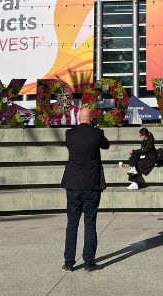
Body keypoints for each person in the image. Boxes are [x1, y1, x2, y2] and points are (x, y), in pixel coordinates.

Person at [61, 107, 110, 272]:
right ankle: (89, 263)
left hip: (73, 184)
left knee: (71, 224)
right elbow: (106, 145)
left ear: (78, 117)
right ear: (91, 118)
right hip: (91, 185)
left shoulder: (69, 134)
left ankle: (69, 263)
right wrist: (96, 130)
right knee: (90, 223)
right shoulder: (97, 134)